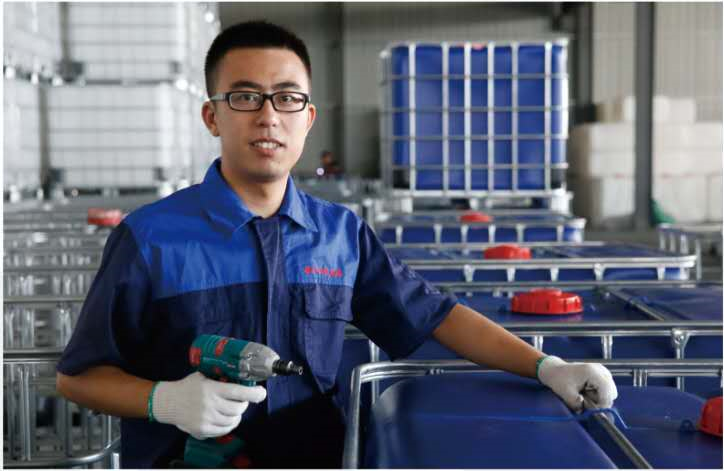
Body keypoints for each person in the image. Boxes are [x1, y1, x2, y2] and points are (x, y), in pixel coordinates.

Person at [55, 20, 617, 469]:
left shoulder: (339, 234)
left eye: (286, 98)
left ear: (308, 118)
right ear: (212, 116)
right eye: (246, 97)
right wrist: (165, 400)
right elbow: (77, 377)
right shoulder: (150, 238)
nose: (268, 116)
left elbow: (433, 315)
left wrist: (547, 366)